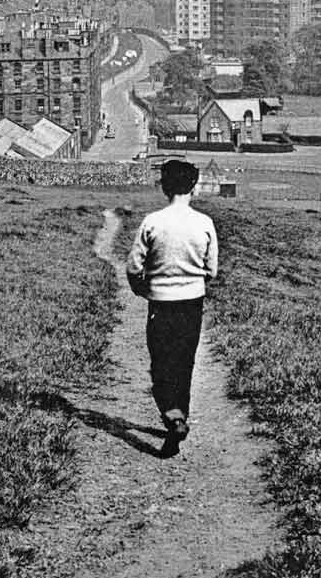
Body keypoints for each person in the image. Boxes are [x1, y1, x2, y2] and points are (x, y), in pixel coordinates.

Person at [126, 160, 218, 457]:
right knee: (184, 362)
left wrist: (141, 287)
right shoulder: (204, 223)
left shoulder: (153, 222)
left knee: (161, 363)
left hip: (160, 303)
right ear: (193, 186)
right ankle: (180, 416)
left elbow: (133, 266)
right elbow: (212, 270)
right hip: (192, 303)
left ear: (165, 187)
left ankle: (172, 415)